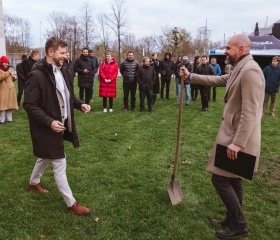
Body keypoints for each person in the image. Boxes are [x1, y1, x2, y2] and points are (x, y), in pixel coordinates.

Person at [180, 34, 265, 239]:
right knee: (234, 179)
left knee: (219, 178)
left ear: (241, 49)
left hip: (238, 138)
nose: (225, 51)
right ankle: (233, 218)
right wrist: (190, 76)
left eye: (228, 48)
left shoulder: (251, 71)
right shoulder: (240, 68)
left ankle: (240, 225)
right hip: (233, 134)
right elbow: (217, 79)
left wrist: (237, 143)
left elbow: (251, 112)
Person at [23, 37, 91, 216]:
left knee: (45, 157)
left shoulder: (64, 71)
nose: (65, 55)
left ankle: (33, 182)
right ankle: (72, 203)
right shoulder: (36, 75)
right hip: (46, 128)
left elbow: (68, 95)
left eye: (65, 52)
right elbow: (29, 104)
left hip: (61, 125)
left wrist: (79, 104)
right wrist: (49, 122)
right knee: (59, 161)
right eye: (61, 53)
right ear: (50, 52)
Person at [0, 56, 18, 123]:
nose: (6, 64)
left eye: (7, 62)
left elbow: (13, 79)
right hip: (3, 91)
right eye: (5, 62)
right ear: (1, 63)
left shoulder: (9, 70)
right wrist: (8, 73)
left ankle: (9, 119)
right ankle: (2, 120)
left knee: (10, 105)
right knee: (3, 106)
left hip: (11, 91)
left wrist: (13, 76)